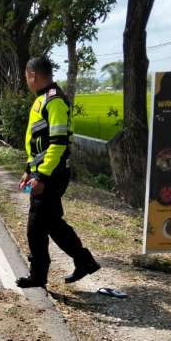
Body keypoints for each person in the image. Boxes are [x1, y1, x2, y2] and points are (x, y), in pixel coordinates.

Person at [16, 56, 100, 289]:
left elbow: (58, 143)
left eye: (26, 77)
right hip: (43, 171)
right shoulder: (42, 100)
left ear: (33, 75)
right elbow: (37, 142)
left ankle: (40, 275)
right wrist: (28, 169)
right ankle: (84, 261)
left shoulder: (54, 102)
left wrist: (41, 176)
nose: (26, 81)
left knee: (36, 226)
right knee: (51, 223)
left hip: (52, 175)